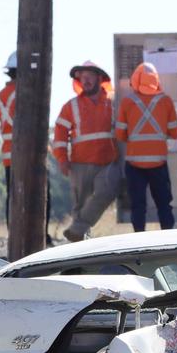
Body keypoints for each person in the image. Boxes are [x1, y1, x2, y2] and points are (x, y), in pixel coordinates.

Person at [53, 60, 119, 241]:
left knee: (107, 191)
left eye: (90, 77)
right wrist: (61, 159)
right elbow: (59, 133)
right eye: (82, 78)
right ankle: (81, 244)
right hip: (79, 163)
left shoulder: (113, 102)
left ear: (99, 78)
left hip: (107, 162)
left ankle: (78, 229)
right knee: (79, 206)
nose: (86, 81)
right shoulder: (70, 106)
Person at [116, 62, 177, 231]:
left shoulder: (127, 102)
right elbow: (175, 133)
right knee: (164, 204)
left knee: (138, 206)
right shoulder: (165, 101)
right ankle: (168, 240)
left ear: (135, 80)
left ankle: (139, 242)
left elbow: (120, 134)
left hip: (134, 164)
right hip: (159, 163)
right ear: (156, 80)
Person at [0, 52, 17, 223]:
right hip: (24, 153)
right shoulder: (22, 93)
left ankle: (13, 232)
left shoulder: (1, 95)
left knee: (13, 195)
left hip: (8, 153)